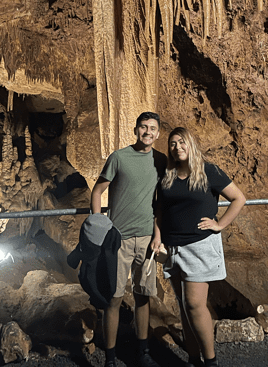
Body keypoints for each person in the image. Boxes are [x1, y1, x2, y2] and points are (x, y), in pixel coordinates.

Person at [153, 127, 246, 367]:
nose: (177, 147)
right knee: (185, 307)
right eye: (173, 144)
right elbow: (160, 211)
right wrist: (158, 237)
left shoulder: (208, 171)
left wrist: (220, 224)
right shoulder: (168, 176)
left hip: (199, 245)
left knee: (195, 304)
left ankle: (210, 361)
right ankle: (193, 358)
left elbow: (238, 198)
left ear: (191, 144)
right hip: (173, 248)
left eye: (182, 142)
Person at [91, 112, 166, 367]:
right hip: (118, 239)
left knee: (143, 296)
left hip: (146, 238)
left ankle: (142, 352)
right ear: (136, 130)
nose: (148, 132)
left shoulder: (161, 160)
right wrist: (99, 226)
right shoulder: (119, 157)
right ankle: (110, 358)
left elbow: (160, 203)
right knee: (113, 297)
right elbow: (98, 190)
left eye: (152, 128)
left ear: (158, 133)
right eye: (143, 127)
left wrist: (158, 235)